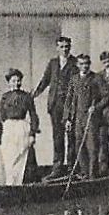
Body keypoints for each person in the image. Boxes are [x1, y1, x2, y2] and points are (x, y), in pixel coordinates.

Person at [32, 36, 79, 171]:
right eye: (62, 47)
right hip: (55, 105)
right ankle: (57, 167)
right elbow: (45, 80)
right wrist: (35, 94)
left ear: (70, 47)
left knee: (71, 136)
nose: (64, 49)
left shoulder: (75, 63)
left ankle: (71, 167)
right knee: (57, 136)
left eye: (67, 47)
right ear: (57, 48)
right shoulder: (52, 63)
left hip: (69, 106)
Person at [0, 68, 39, 185]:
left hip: (22, 127)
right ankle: (9, 183)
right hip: (9, 128)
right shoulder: (5, 97)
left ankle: (22, 183)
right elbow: (2, 115)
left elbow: (33, 115)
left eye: (18, 80)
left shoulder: (26, 97)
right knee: (8, 156)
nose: (16, 83)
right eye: (13, 81)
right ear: (9, 82)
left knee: (23, 155)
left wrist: (32, 134)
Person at [66, 54, 106, 177]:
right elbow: (69, 100)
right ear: (77, 65)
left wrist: (96, 107)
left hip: (91, 119)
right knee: (79, 146)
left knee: (92, 146)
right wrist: (68, 119)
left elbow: (106, 97)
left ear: (89, 64)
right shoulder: (74, 79)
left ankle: (92, 175)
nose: (84, 66)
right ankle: (84, 173)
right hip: (78, 119)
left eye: (86, 64)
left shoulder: (96, 78)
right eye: (81, 64)